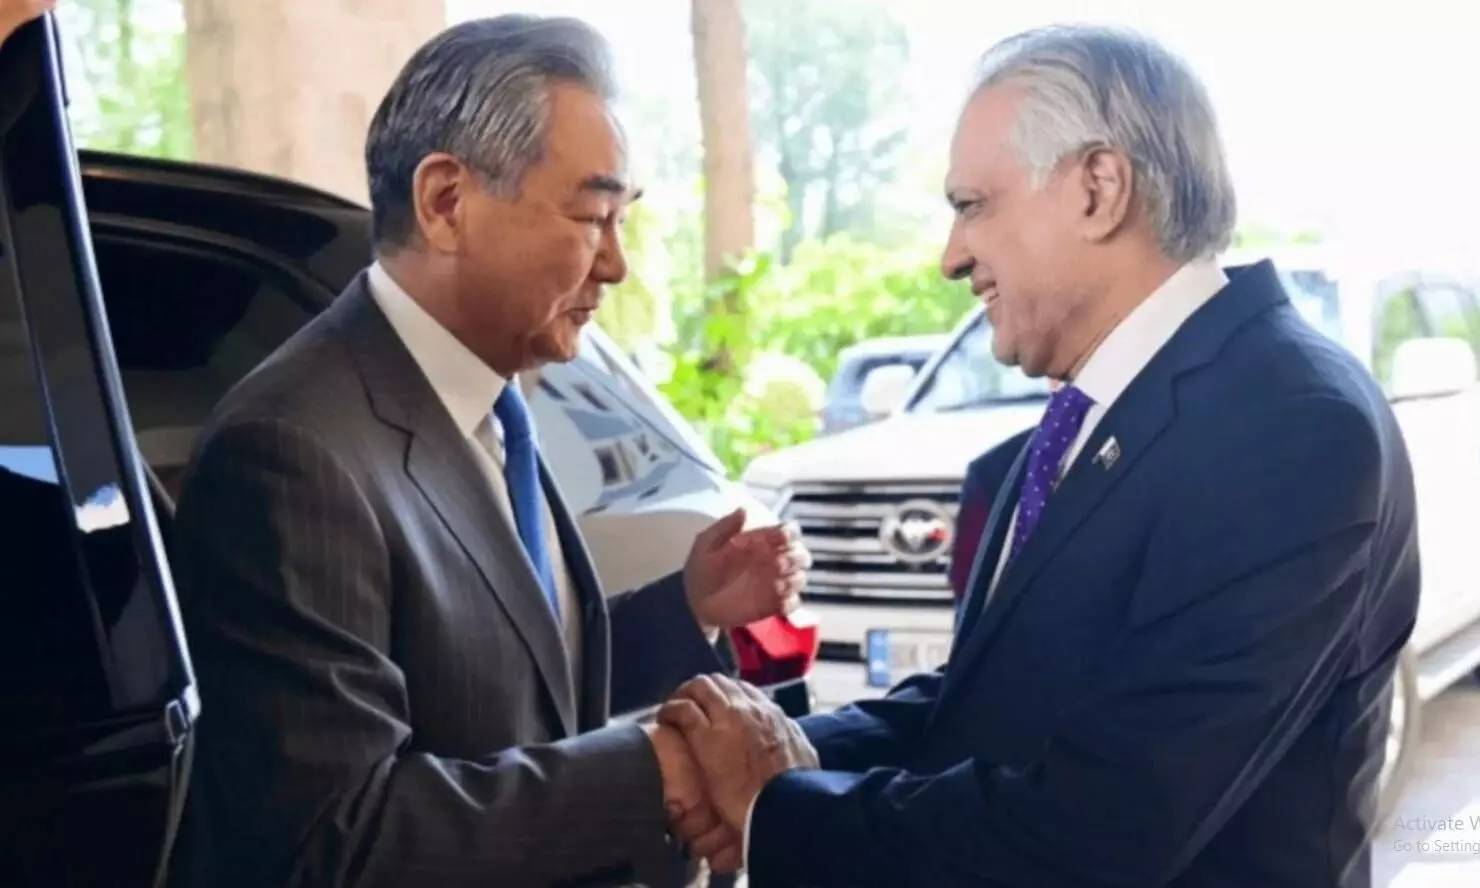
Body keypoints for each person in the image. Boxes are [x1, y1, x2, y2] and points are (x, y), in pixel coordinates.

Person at [659, 24, 1420, 888]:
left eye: (972, 205)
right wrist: (759, 751)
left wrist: (776, 804)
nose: (951, 257)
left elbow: (1105, 826)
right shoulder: (1086, 413)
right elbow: (986, 706)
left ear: (1098, 189)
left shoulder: (1289, 426)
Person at [168, 15, 808, 888]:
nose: (616, 264)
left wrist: (687, 608)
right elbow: (335, 840)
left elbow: (504, 675)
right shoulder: (290, 451)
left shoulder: (493, 402)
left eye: (622, 219)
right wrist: (650, 772)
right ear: (445, 202)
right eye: (593, 216)